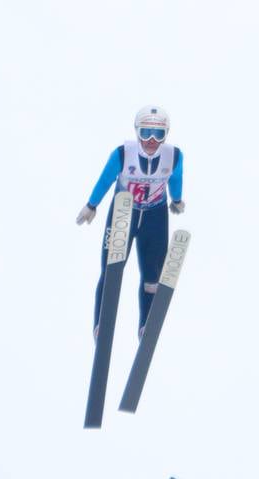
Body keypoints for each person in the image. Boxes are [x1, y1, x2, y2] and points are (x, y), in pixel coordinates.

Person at [76, 106, 185, 339]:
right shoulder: (123, 153)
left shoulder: (174, 155)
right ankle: (101, 324)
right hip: (124, 213)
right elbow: (105, 178)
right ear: (137, 132)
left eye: (158, 134)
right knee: (111, 269)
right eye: (146, 133)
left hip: (155, 216)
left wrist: (176, 199)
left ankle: (146, 324)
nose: (152, 140)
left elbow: (176, 178)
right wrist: (91, 205)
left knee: (152, 275)